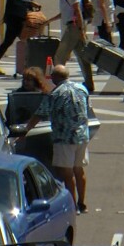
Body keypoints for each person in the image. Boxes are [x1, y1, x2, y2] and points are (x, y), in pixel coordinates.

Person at [19, 65, 90, 214]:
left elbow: (39, 114)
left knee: (67, 173)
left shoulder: (55, 94)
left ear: (55, 78)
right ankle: (82, 203)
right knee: (79, 171)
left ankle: (72, 204)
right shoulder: (82, 89)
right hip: (82, 137)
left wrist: (25, 131)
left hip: (64, 138)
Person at [46, 0, 94, 93]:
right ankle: (89, 84)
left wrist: (80, 29)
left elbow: (77, 10)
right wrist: (50, 20)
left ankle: (58, 85)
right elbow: (65, 12)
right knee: (82, 56)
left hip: (73, 28)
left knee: (59, 57)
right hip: (74, 27)